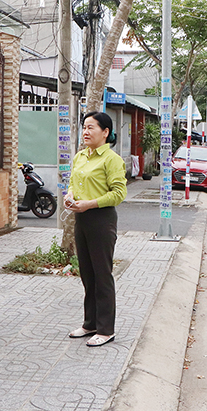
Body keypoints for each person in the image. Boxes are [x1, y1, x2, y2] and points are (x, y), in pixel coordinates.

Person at [65, 112, 127, 347]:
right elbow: (73, 182)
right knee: (87, 274)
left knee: (102, 274)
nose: (86, 132)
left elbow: (119, 193)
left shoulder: (111, 159)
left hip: (101, 219)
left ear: (106, 132)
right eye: (84, 127)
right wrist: (70, 196)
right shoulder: (80, 156)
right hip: (81, 219)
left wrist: (89, 204)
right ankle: (89, 323)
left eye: (91, 127)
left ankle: (106, 329)